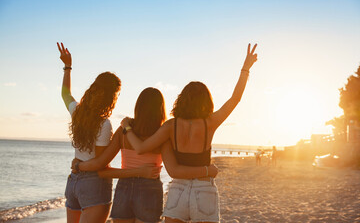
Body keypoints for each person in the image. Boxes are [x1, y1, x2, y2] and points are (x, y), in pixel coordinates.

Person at [122, 43, 258, 223]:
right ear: (206, 101)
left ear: (182, 100)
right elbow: (235, 99)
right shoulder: (210, 123)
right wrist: (245, 69)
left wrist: (127, 127)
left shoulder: (171, 126)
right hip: (204, 188)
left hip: (178, 190)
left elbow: (140, 148)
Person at [73, 87, 218, 223]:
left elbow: (102, 171)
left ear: (138, 107)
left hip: (123, 190)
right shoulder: (162, 135)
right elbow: (173, 170)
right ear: (161, 110)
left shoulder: (123, 132)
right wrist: (205, 169)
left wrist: (80, 165)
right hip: (150, 191)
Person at [58, 43, 159, 223]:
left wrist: (67, 67)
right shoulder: (104, 125)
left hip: (73, 182)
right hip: (92, 186)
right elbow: (100, 167)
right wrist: (140, 172)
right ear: (111, 97)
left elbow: (65, 93)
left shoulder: (77, 112)